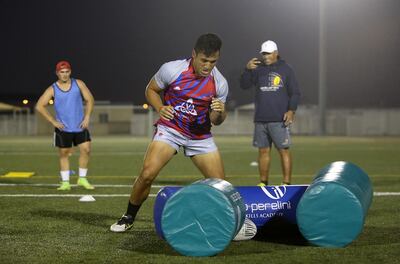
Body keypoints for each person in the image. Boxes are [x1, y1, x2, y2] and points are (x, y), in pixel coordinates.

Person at [110, 33, 228, 232]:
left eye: (213, 61)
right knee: (147, 174)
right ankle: (128, 216)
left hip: (199, 135)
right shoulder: (171, 69)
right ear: (194, 54)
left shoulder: (220, 83)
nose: (208, 66)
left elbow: (216, 122)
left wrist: (220, 112)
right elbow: (151, 89)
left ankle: (227, 223)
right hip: (171, 128)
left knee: (221, 186)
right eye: (204, 60)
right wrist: (160, 108)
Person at [240, 40, 301, 186]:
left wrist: (291, 110)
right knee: (263, 151)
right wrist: (247, 70)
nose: (265, 56)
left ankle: (286, 183)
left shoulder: (286, 69)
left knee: (283, 151)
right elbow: (244, 85)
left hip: (279, 119)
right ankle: (263, 182)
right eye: (263, 54)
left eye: (268, 54)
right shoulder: (258, 69)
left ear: (275, 53)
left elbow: (295, 93)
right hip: (261, 118)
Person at [36, 60, 95, 191]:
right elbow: (39, 105)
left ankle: (82, 179)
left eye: (67, 72)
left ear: (70, 72)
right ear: (57, 73)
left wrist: (87, 116)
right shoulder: (52, 88)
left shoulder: (78, 84)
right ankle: (65, 182)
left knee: (86, 149)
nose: (65, 74)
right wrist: (53, 121)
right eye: (62, 72)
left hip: (80, 126)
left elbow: (90, 99)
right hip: (63, 128)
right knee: (64, 153)